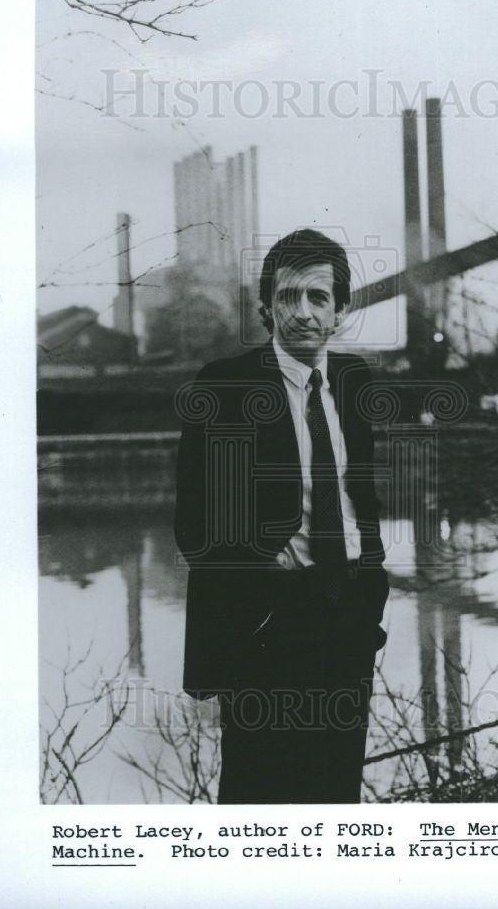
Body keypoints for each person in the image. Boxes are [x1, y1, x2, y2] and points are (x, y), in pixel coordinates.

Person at [174, 229, 389, 803]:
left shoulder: (353, 381)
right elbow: (194, 526)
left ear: (341, 310)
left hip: (346, 621)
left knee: (336, 793)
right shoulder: (225, 386)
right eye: (289, 297)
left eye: (319, 298)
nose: (303, 312)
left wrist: (369, 594)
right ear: (266, 306)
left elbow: (360, 503)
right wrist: (256, 612)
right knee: (257, 797)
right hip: (266, 629)